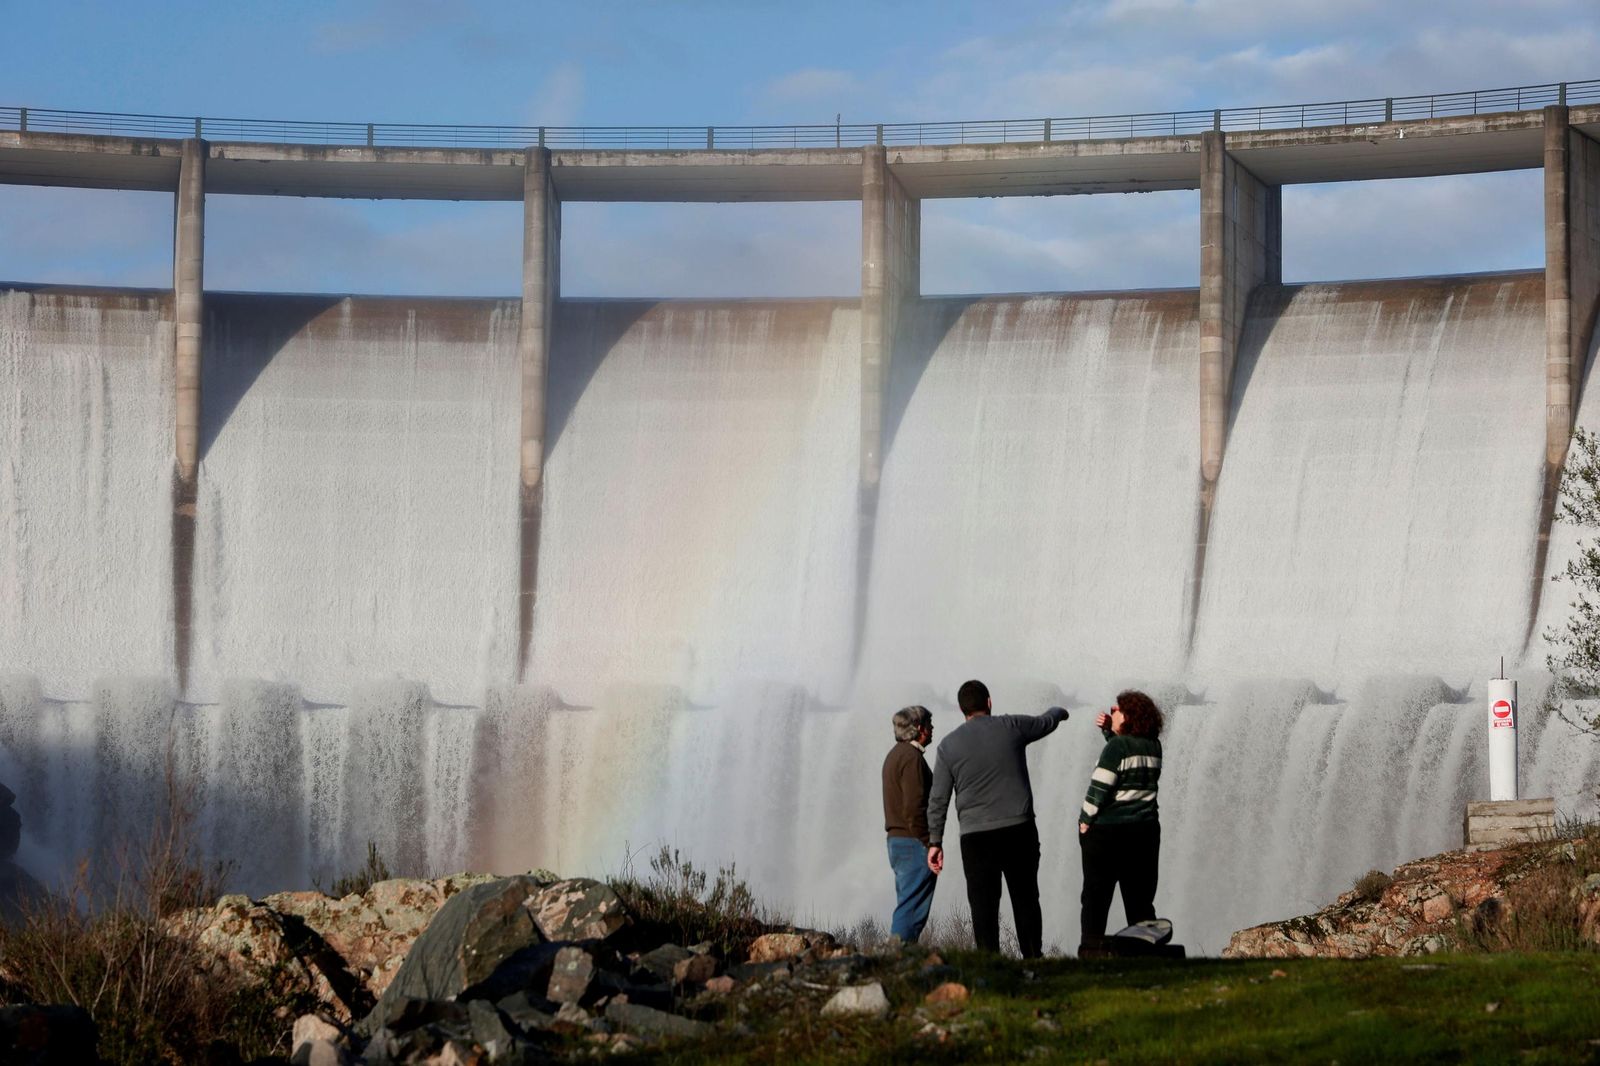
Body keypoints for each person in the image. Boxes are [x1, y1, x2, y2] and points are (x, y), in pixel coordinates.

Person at [926, 680, 1068, 958]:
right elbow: (1046, 722)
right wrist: (1059, 710)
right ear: (989, 702)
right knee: (1026, 898)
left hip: (976, 837)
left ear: (961, 709)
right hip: (1019, 829)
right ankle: (1033, 959)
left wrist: (935, 841)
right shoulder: (1011, 726)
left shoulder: (947, 746)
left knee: (983, 906)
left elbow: (938, 799)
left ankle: (990, 963)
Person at [1078, 689, 1164, 947]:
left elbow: (1099, 788)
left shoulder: (1118, 747)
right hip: (1145, 832)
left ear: (1128, 716)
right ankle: (1147, 953)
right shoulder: (1153, 745)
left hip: (1109, 834)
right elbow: (1128, 762)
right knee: (1139, 900)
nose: (1111, 712)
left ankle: (1091, 951)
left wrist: (1084, 821)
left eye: (1116, 710)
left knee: (1096, 898)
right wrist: (1109, 732)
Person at [882, 705, 937, 942]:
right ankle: (899, 958)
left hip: (897, 841)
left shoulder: (895, 755)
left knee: (907, 902)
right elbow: (914, 808)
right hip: (913, 842)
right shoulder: (912, 758)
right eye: (929, 724)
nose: (933, 728)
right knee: (911, 909)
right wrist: (929, 842)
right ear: (920, 730)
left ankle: (899, 956)